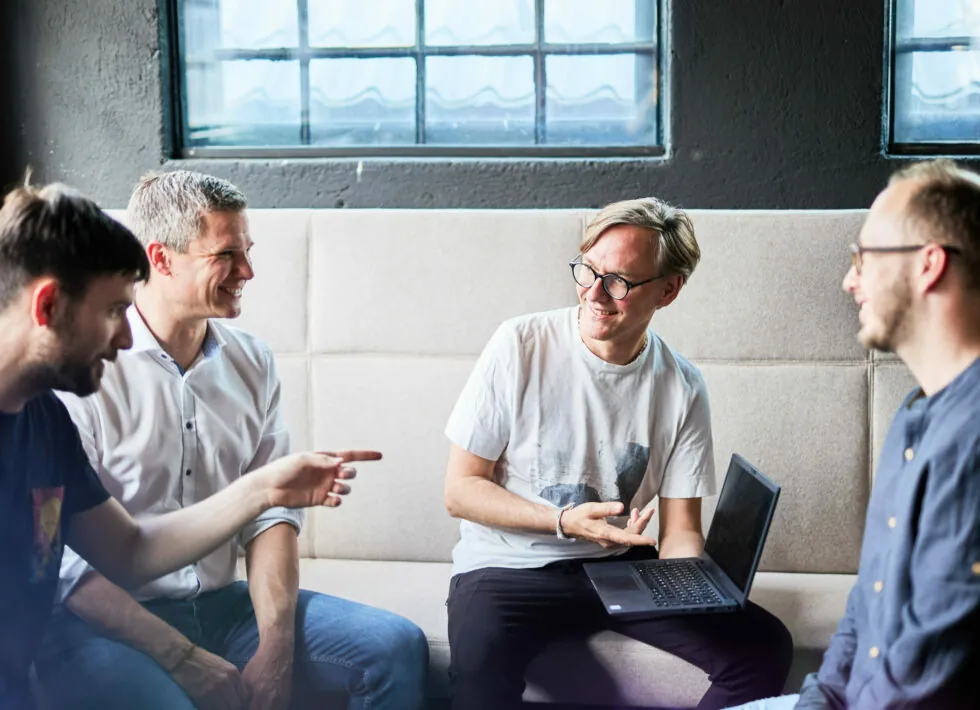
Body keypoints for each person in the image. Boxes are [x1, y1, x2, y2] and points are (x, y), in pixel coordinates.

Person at [33, 171, 429, 710]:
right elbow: (74, 564)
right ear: (162, 259)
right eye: (226, 254)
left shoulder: (253, 361)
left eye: (247, 251)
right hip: (108, 623)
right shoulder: (82, 374)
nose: (248, 271)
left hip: (224, 606)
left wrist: (277, 646)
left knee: (396, 646)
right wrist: (181, 656)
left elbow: (270, 519)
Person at [442, 197, 793, 710]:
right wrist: (563, 521)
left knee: (763, 647)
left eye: (620, 282)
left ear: (668, 291)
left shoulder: (682, 385)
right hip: (506, 567)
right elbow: (460, 490)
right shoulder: (520, 344)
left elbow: (680, 530)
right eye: (588, 271)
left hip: (618, 566)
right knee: (479, 683)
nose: (596, 293)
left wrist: (690, 585)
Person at [727, 160, 980, 710]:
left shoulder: (972, 443)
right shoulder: (915, 416)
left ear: (928, 265)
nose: (849, 280)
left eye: (863, 257)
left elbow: (929, 681)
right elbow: (866, 609)